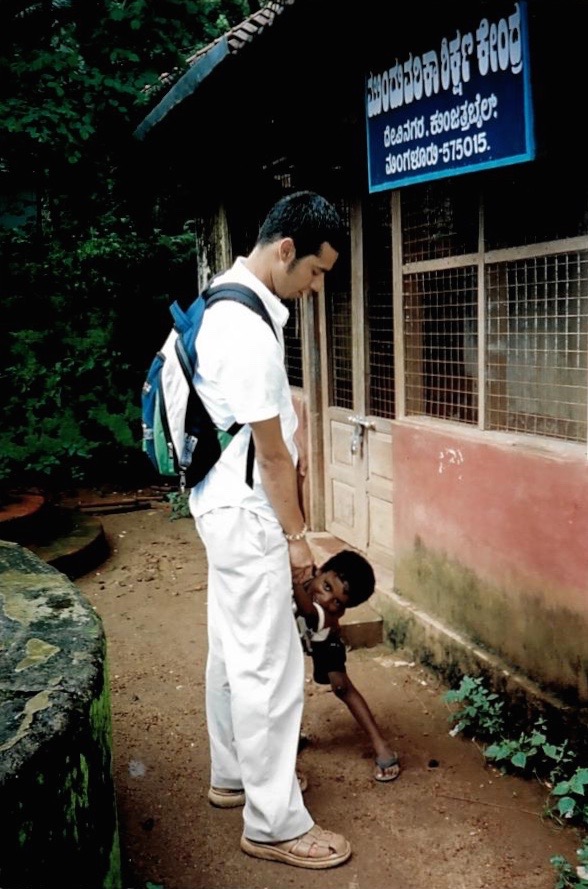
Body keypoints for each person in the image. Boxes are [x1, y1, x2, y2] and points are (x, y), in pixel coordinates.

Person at [189, 191, 352, 869]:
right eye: (315, 272)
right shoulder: (249, 328)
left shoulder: (222, 296)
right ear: (286, 249)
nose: (316, 287)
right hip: (251, 512)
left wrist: (294, 414)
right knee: (271, 668)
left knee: (233, 647)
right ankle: (275, 822)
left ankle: (235, 776)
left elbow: (258, 416)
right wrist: (297, 537)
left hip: (218, 497)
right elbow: (275, 456)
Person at [294, 549, 401, 782]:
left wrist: (290, 576)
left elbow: (307, 611)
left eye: (337, 603)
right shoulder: (301, 573)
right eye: (327, 587)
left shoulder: (324, 614)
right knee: (285, 687)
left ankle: (381, 746)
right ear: (319, 571)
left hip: (322, 639)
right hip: (292, 638)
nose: (326, 600)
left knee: (342, 687)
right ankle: (289, 738)